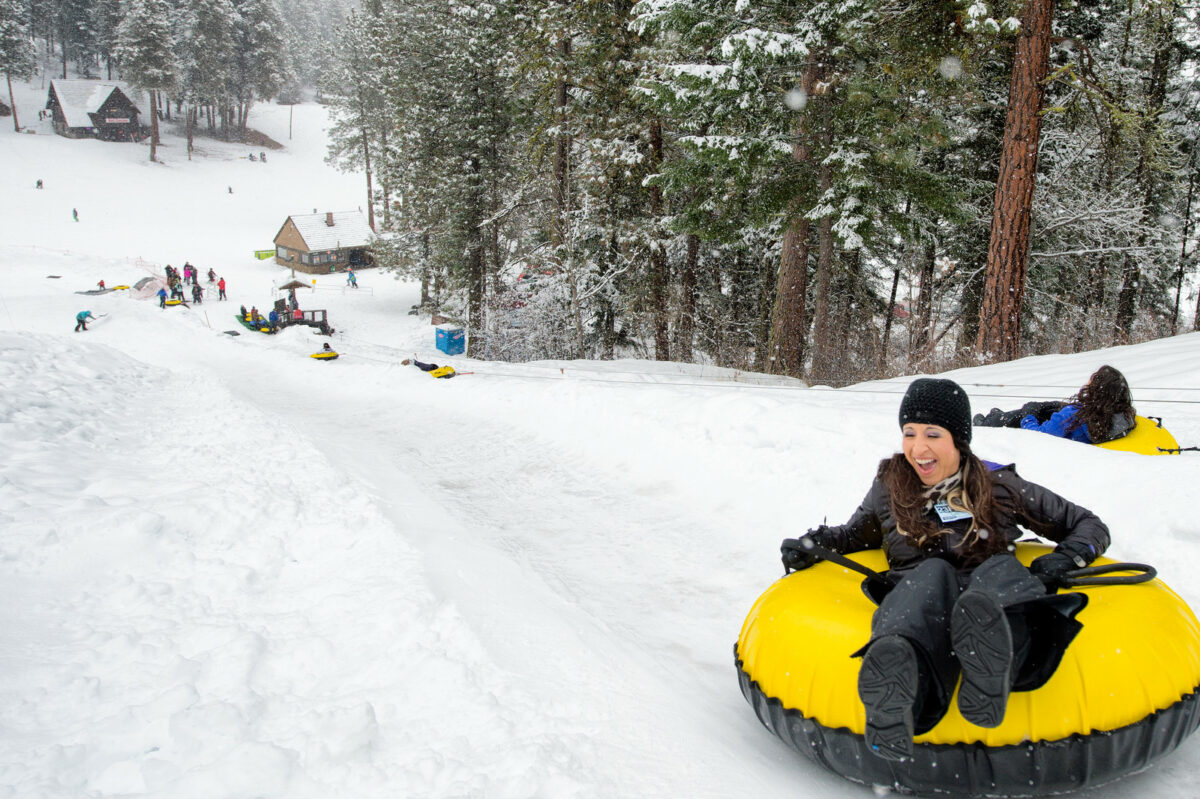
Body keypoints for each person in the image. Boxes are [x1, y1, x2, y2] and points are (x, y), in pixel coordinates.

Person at [780, 378, 1108, 761]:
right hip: (920, 593)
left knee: (997, 573)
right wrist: (816, 543)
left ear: (958, 439)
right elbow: (856, 534)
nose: (918, 448)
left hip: (990, 590)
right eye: (909, 433)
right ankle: (900, 679)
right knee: (931, 574)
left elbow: (1088, 524)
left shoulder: (997, 483)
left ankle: (994, 655)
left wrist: (1063, 559)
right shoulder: (890, 486)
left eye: (933, 434)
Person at [974, 365, 1135, 445]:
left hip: (1057, 434)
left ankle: (990, 421)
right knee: (1048, 408)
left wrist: (1028, 415)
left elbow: (1038, 436)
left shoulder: (1073, 415)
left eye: (1092, 381)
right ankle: (998, 416)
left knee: (1028, 412)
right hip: (1073, 430)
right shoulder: (1121, 416)